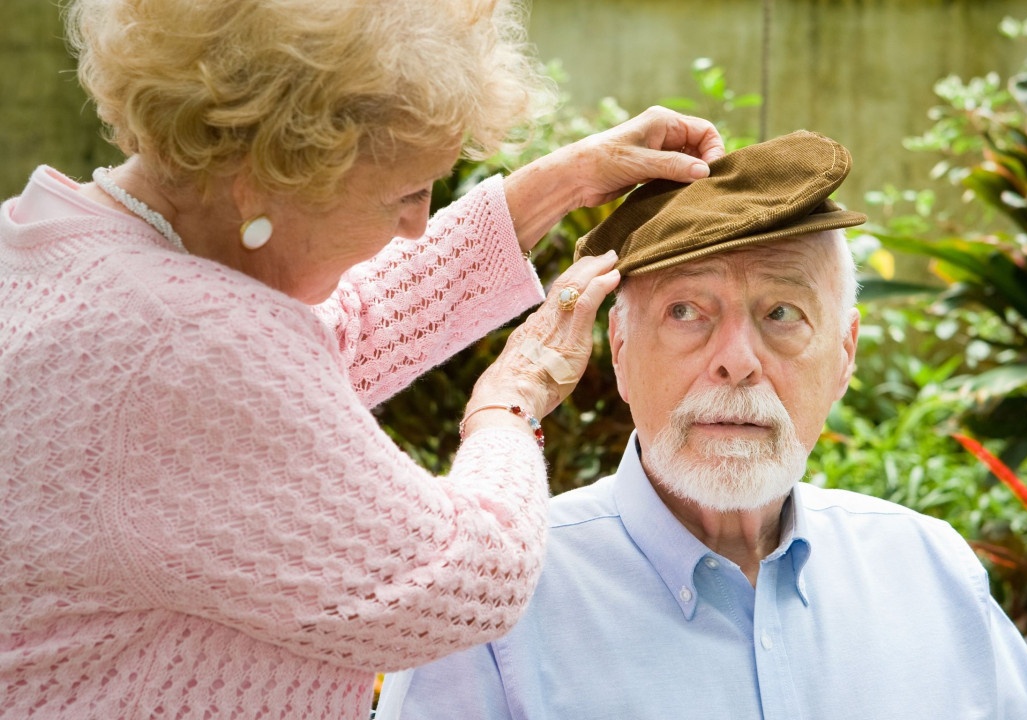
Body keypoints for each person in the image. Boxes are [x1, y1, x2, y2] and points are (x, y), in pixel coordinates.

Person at [0, 0, 726, 716]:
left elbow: (331, 331)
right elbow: (471, 577)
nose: (418, 222)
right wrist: (511, 402)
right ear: (275, 171)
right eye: (406, 193)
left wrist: (565, 182)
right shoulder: (192, 342)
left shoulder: (58, 243)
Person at [395, 130, 1027, 719]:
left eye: (782, 313)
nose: (736, 362)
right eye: (686, 311)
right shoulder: (491, 616)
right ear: (618, 350)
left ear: (845, 354)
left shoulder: (935, 577)